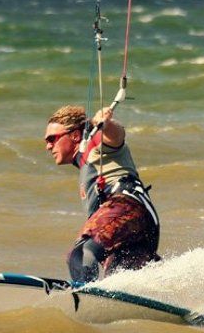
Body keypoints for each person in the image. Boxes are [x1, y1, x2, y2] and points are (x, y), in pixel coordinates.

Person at [44, 104, 160, 284]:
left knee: (81, 253)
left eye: (52, 139)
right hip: (141, 230)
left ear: (75, 135)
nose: (48, 146)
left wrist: (106, 124)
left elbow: (117, 136)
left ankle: (84, 296)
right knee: (117, 284)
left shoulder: (94, 144)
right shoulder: (86, 165)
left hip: (127, 208)